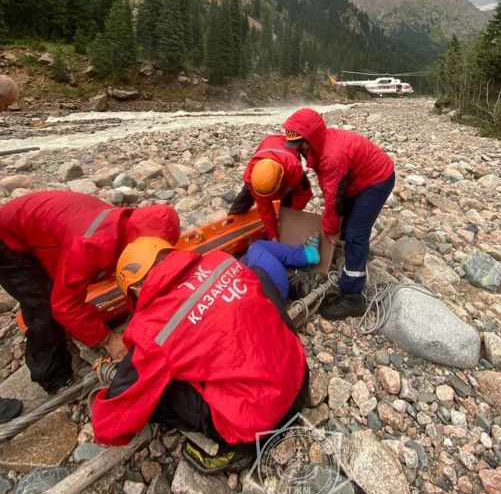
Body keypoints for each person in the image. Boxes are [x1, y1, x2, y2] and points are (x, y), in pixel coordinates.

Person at [91, 236, 308, 474]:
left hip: (260, 426)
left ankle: (236, 448)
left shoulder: (153, 329)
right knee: (257, 277)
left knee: (157, 388)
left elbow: (111, 423)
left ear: (135, 290)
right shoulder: (221, 261)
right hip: (299, 378)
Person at [0, 191, 180, 393]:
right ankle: (55, 380)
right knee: (43, 307)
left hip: (44, 227)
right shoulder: (90, 246)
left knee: (63, 286)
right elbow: (64, 305)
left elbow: (133, 278)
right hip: (7, 238)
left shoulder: (135, 224)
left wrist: (141, 319)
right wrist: (109, 339)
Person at [282, 108, 395, 320]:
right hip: (356, 177)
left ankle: (353, 296)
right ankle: (345, 256)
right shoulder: (319, 143)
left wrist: (330, 229)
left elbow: (333, 198)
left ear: (311, 138)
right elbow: (335, 195)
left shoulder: (331, 156)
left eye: (300, 144)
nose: (298, 149)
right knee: (344, 223)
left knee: (356, 233)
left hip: (376, 179)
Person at [228, 133, 313, 240]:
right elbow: (264, 208)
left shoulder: (294, 169)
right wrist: (272, 234)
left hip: (286, 155)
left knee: (288, 203)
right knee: (246, 196)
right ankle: (230, 223)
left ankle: (284, 220)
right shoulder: (251, 176)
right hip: (269, 146)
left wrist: (290, 215)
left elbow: (304, 195)